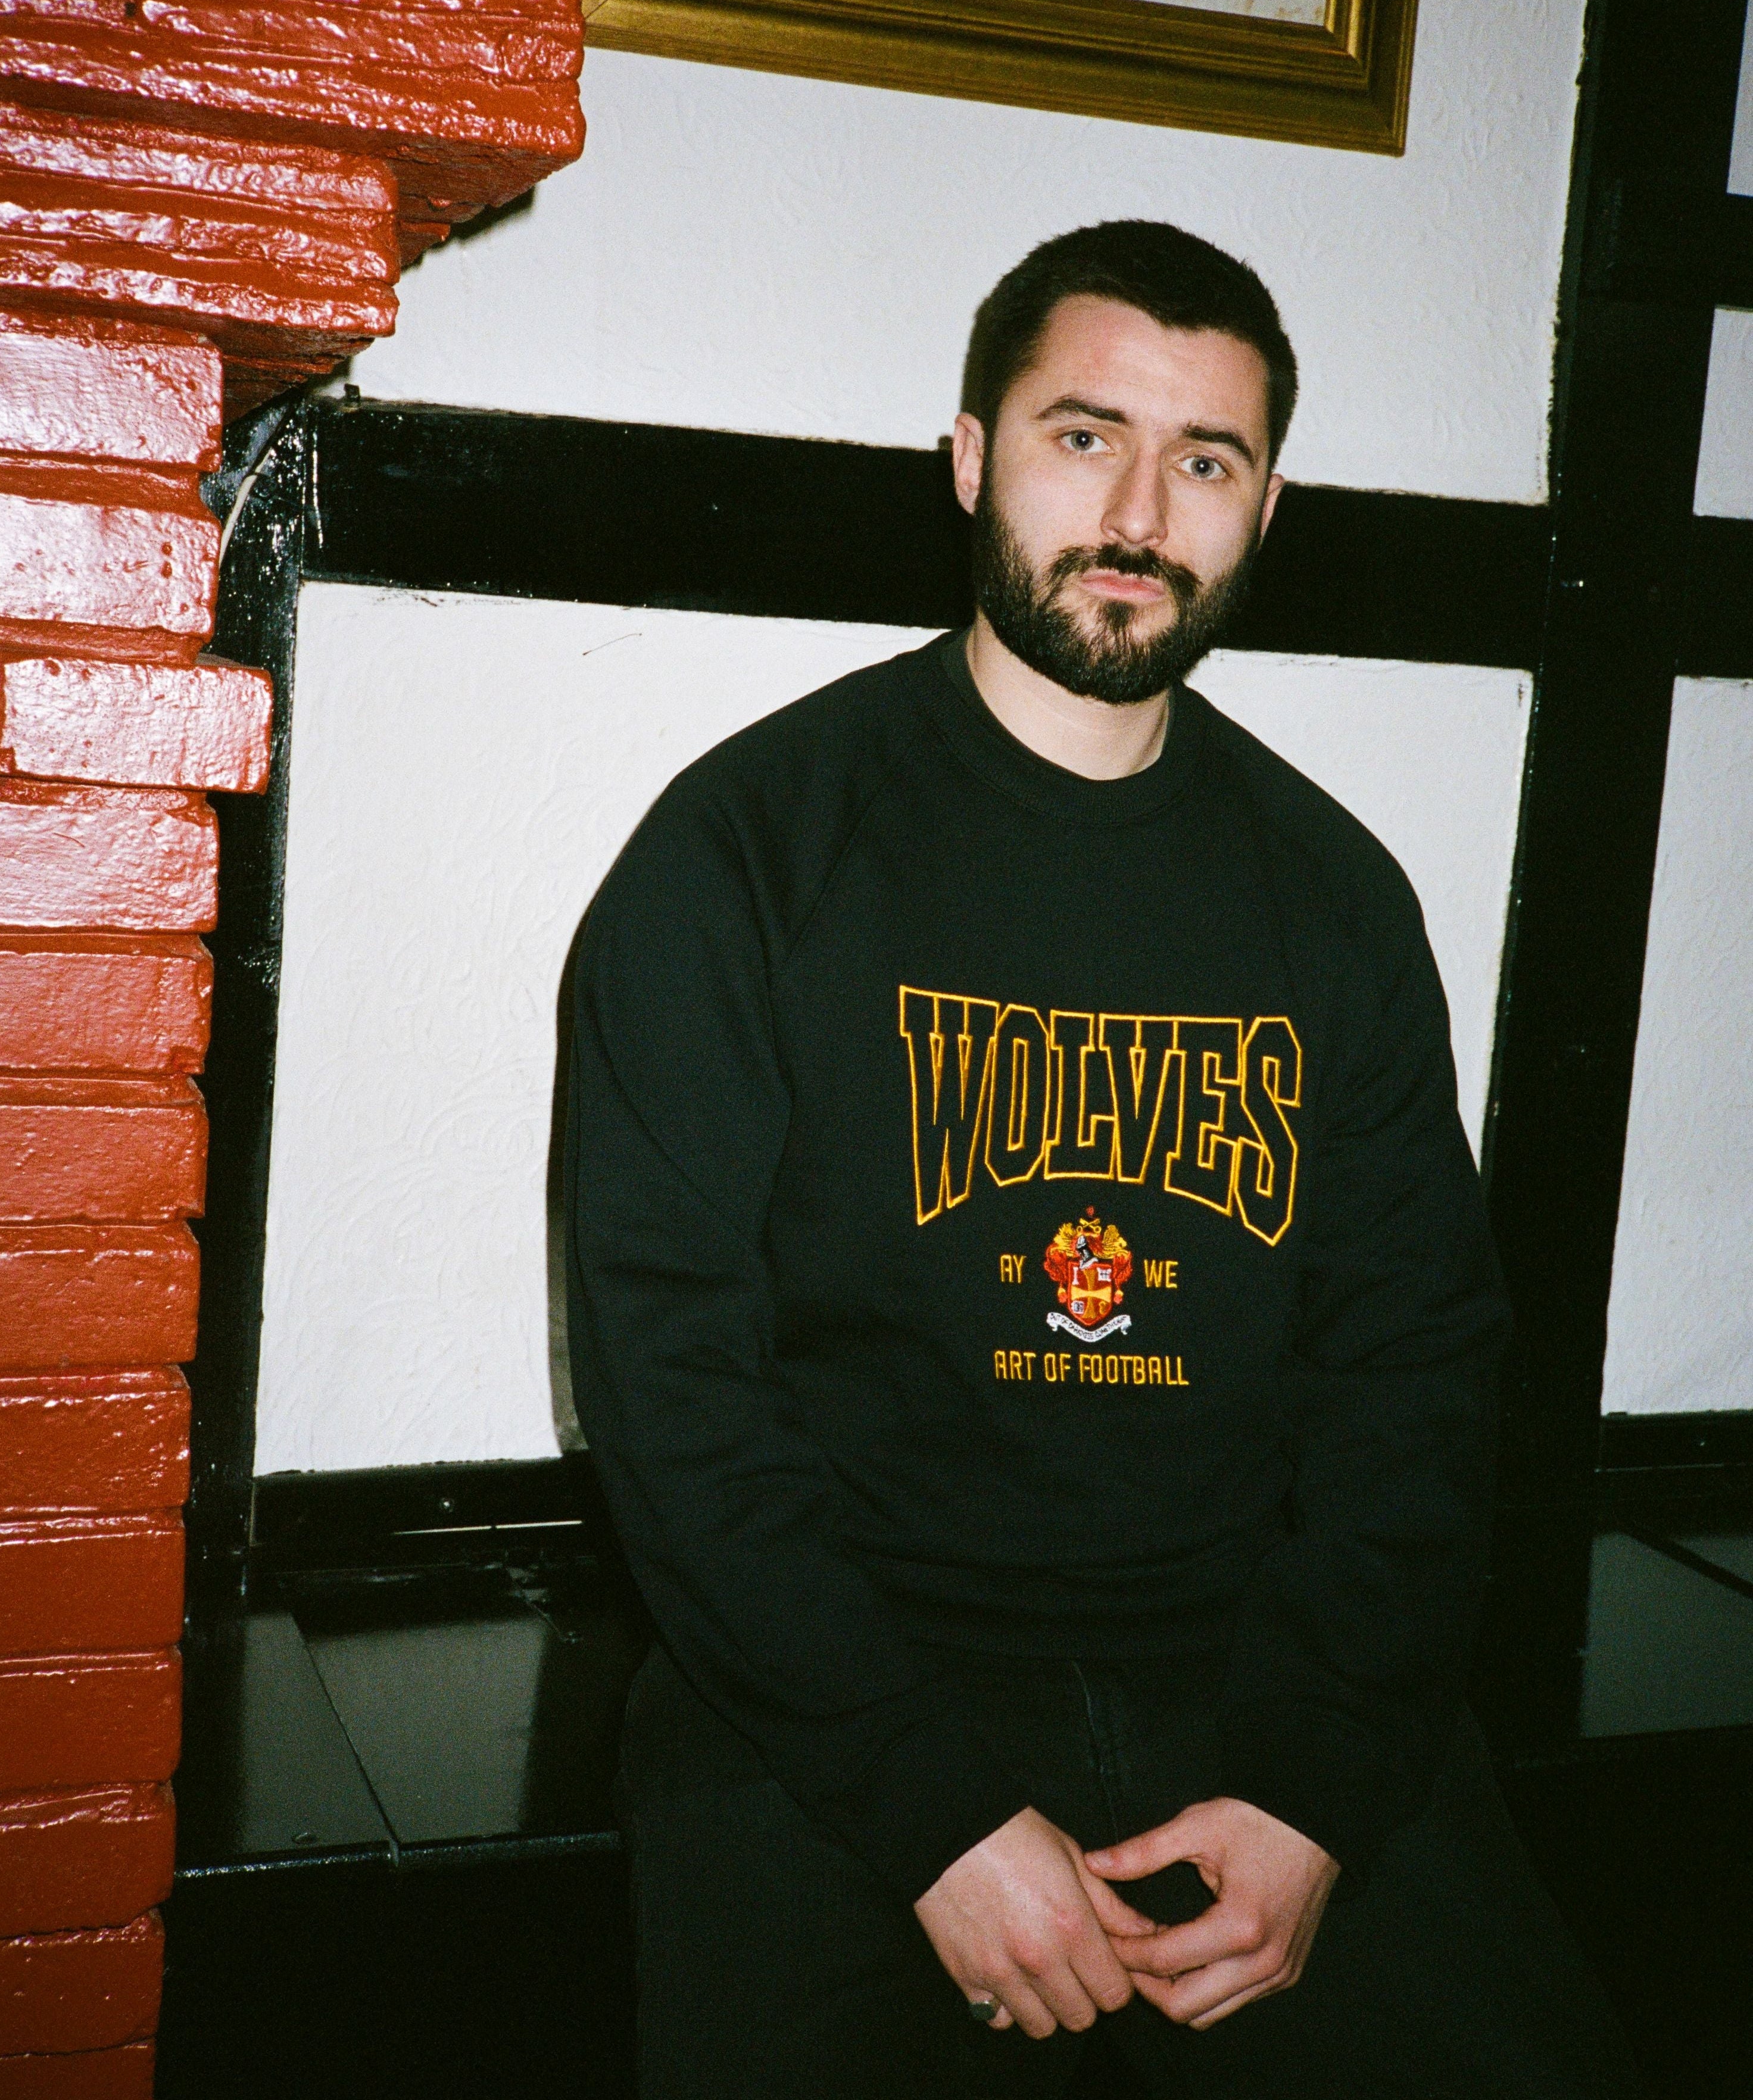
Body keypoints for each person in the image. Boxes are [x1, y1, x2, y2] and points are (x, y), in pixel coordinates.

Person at [563, 221, 1636, 2099]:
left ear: (1265, 507)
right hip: (834, 1686)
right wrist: (931, 1816)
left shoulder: (1337, 900)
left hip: (1250, 1674)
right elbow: (672, 1386)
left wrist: (1316, 1790)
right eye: (1086, 438)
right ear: (973, 457)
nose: (1140, 513)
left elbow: (1418, 1365)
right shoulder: (742, 852)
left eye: (1205, 461)